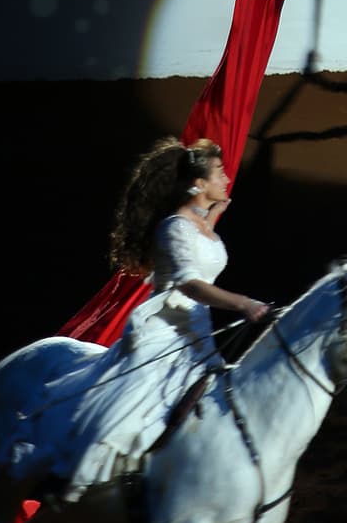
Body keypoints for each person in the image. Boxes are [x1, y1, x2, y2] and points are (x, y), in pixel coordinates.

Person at [27, 138, 271, 500]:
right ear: (197, 183)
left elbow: (202, 251)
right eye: (218, 172)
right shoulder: (173, 228)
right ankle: (70, 474)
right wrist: (243, 303)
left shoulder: (201, 226)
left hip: (198, 335)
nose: (226, 176)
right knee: (139, 405)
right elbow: (190, 284)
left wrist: (213, 214)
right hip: (167, 333)